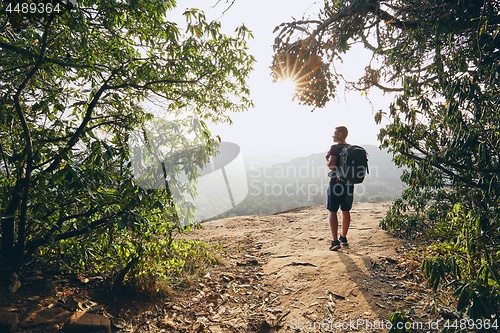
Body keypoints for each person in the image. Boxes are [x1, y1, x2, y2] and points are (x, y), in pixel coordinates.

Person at [325, 126, 353, 251]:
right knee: (345, 210)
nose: (333, 135)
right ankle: (344, 237)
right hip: (349, 183)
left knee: (333, 211)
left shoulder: (335, 148)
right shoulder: (351, 148)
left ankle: (335, 241)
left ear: (340, 135)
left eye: (335, 133)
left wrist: (327, 159)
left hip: (336, 183)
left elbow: (331, 165)